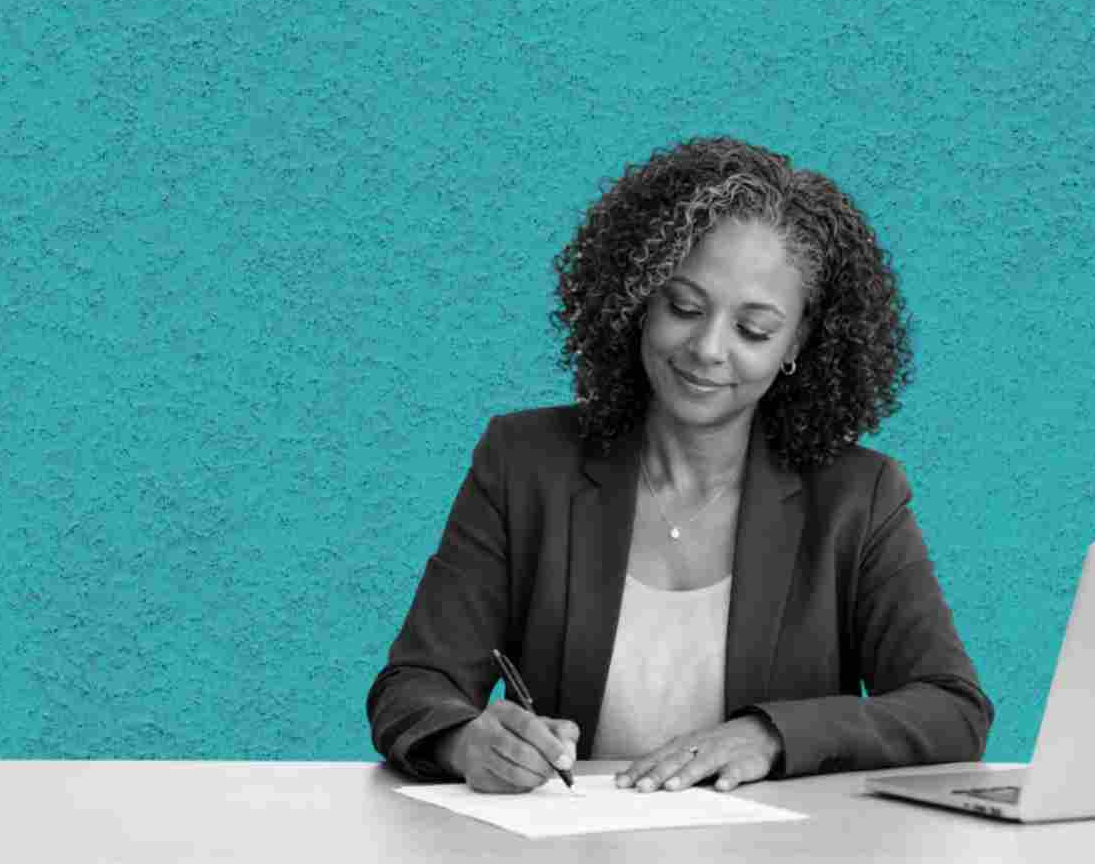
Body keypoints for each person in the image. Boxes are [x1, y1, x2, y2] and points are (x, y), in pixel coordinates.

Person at [367, 136, 992, 794]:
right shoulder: (524, 464)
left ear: (796, 341)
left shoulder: (858, 497)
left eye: (753, 328)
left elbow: (953, 708)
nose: (708, 348)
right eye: (684, 306)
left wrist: (771, 734)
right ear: (639, 295)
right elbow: (413, 686)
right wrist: (469, 741)